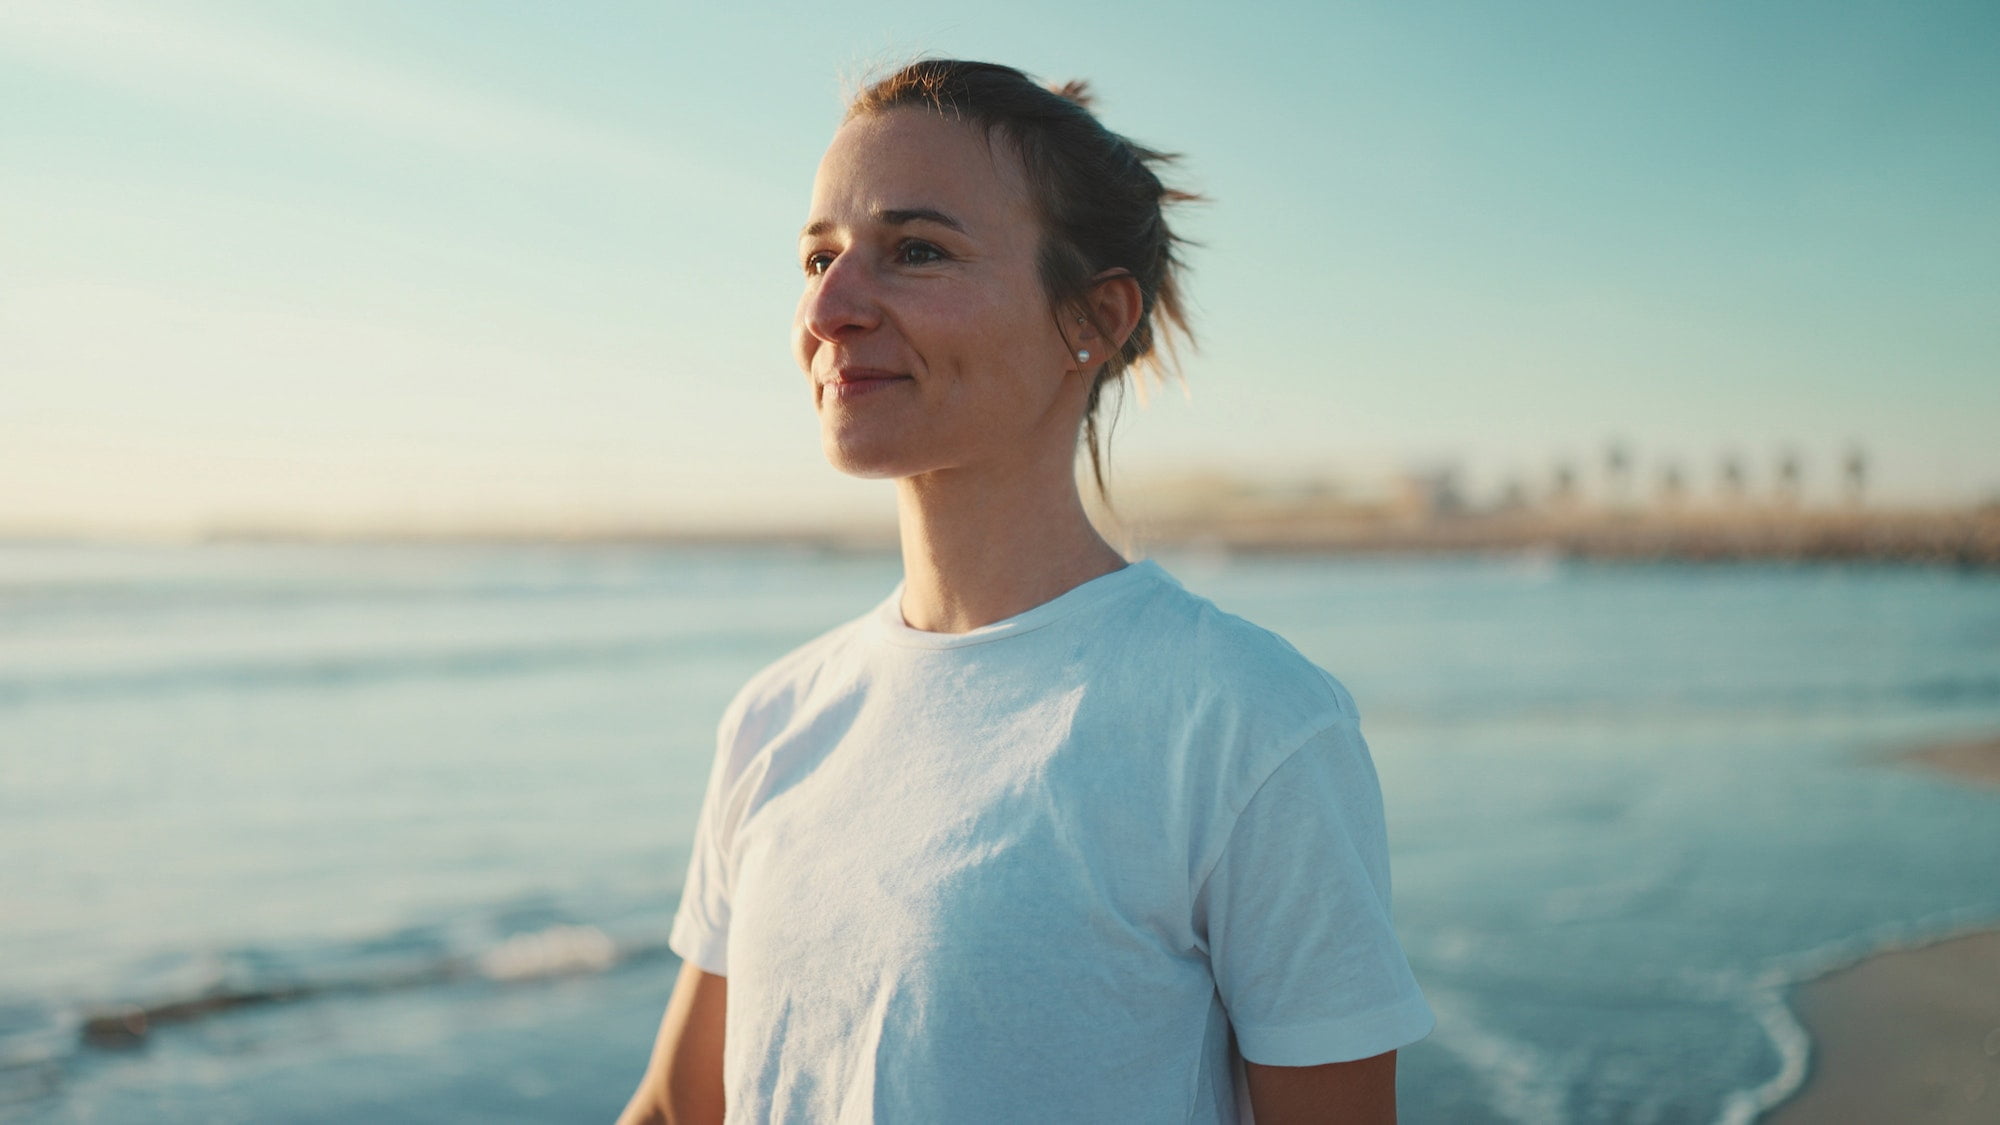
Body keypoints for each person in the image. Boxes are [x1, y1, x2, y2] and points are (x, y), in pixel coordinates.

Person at [618, 59, 1433, 1124]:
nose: (827, 306)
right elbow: (683, 1109)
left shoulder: (1244, 724)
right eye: (817, 256)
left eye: (915, 251)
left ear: (1088, 320)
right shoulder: (777, 717)